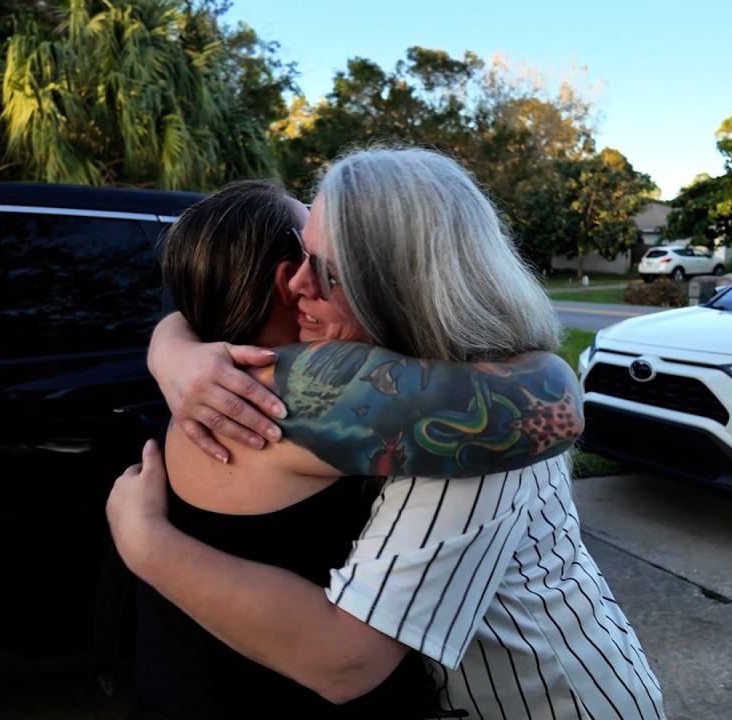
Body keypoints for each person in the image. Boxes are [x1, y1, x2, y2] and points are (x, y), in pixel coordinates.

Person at [109, 146, 665, 719]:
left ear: (401, 282)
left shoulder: (457, 428)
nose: (297, 283)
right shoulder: (371, 387)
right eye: (299, 256)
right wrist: (173, 347)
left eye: (324, 268)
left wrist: (145, 542)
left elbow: (347, 660)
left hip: (549, 700)